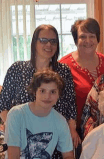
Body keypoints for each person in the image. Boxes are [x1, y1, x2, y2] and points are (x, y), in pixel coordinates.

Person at [0, 24, 77, 158]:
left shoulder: (63, 71)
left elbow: (70, 105)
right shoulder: (17, 69)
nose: (49, 44)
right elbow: (3, 104)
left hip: (54, 139)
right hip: (21, 141)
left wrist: (71, 130)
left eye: (53, 41)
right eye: (43, 40)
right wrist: (14, 128)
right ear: (34, 42)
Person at [59, 18, 104, 145]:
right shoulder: (64, 65)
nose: (88, 41)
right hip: (74, 134)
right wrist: (70, 129)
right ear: (75, 40)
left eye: (92, 36)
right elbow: (59, 103)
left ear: (97, 39)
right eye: (82, 37)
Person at [4, 69, 74, 158]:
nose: (47, 96)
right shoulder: (16, 114)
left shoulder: (60, 121)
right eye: (42, 91)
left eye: (53, 92)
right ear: (34, 92)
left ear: (58, 95)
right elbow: (13, 155)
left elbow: (68, 155)